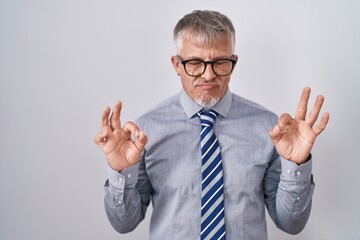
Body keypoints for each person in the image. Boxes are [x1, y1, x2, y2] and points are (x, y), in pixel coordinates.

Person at [94, 10, 329, 240]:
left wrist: (295, 165)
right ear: (176, 64)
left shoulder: (270, 128)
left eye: (220, 62)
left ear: (234, 63)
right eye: (195, 62)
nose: (208, 75)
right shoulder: (145, 131)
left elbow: (291, 224)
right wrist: (120, 173)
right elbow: (124, 225)